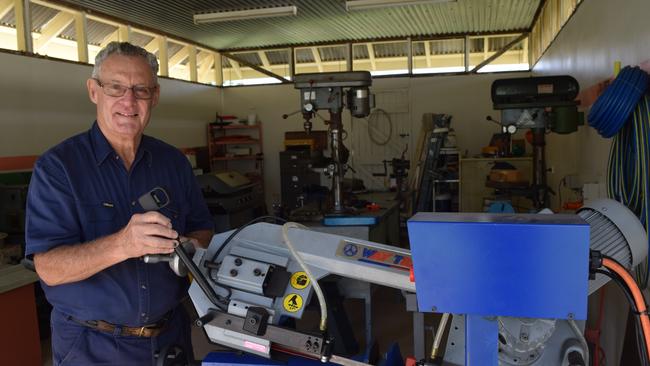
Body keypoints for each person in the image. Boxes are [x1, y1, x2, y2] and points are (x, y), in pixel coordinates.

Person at [25, 42, 214, 365]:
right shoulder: (59, 167)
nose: (129, 101)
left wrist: (191, 246)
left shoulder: (173, 162)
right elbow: (49, 269)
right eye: (116, 87)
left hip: (171, 340)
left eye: (141, 90)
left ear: (154, 96)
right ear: (94, 91)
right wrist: (123, 244)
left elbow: (203, 228)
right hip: (91, 348)